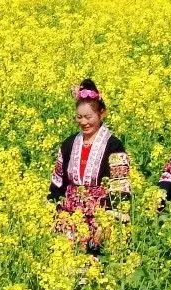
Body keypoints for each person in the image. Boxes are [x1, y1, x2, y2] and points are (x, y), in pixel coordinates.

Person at [48, 78, 132, 254]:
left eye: (88, 117)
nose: (83, 122)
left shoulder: (113, 145)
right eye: (79, 117)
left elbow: (120, 189)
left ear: (102, 114)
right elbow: (57, 185)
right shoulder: (69, 144)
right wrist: (52, 213)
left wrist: (106, 224)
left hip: (100, 219)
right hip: (69, 218)